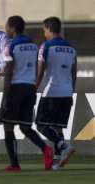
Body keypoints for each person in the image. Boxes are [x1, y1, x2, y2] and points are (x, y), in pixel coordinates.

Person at [0, 15, 53, 172]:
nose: (5, 29)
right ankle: (45, 149)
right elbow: (37, 69)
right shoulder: (33, 45)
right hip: (30, 87)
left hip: (16, 87)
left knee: (8, 127)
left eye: (7, 26)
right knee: (25, 127)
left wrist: (5, 96)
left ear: (13, 28)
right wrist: (33, 89)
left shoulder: (10, 45)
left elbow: (8, 72)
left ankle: (14, 165)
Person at [35, 16, 76, 170]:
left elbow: (40, 72)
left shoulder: (46, 46)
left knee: (40, 125)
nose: (44, 33)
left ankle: (64, 146)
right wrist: (71, 92)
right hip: (67, 92)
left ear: (50, 29)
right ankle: (58, 163)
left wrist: (34, 89)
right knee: (58, 128)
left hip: (51, 92)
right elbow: (74, 73)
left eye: (44, 30)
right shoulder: (71, 48)